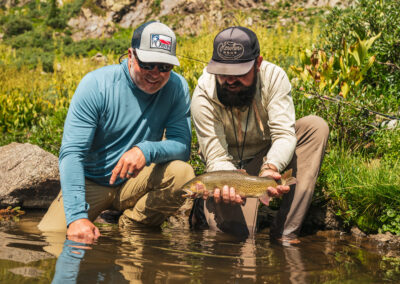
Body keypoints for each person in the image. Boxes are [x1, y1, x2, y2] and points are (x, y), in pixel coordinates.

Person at [38, 21, 195, 242]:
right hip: (92, 181)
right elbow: (72, 153)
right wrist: (76, 218)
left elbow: (182, 146)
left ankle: (132, 226)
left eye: (164, 67)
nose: (156, 74)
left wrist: (145, 150)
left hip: (136, 180)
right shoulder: (96, 85)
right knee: (51, 240)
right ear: (131, 55)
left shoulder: (177, 87)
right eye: (148, 64)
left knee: (183, 174)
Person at [190, 26, 329, 242]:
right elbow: (216, 158)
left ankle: (285, 234)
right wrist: (231, 183)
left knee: (314, 127)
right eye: (223, 73)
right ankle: (205, 209)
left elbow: (284, 134)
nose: (230, 81)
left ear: (258, 63)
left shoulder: (274, 77)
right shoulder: (203, 95)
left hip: (264, 160)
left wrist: (270, 167)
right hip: (225, 172)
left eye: (239, 73)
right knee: (237, 241)